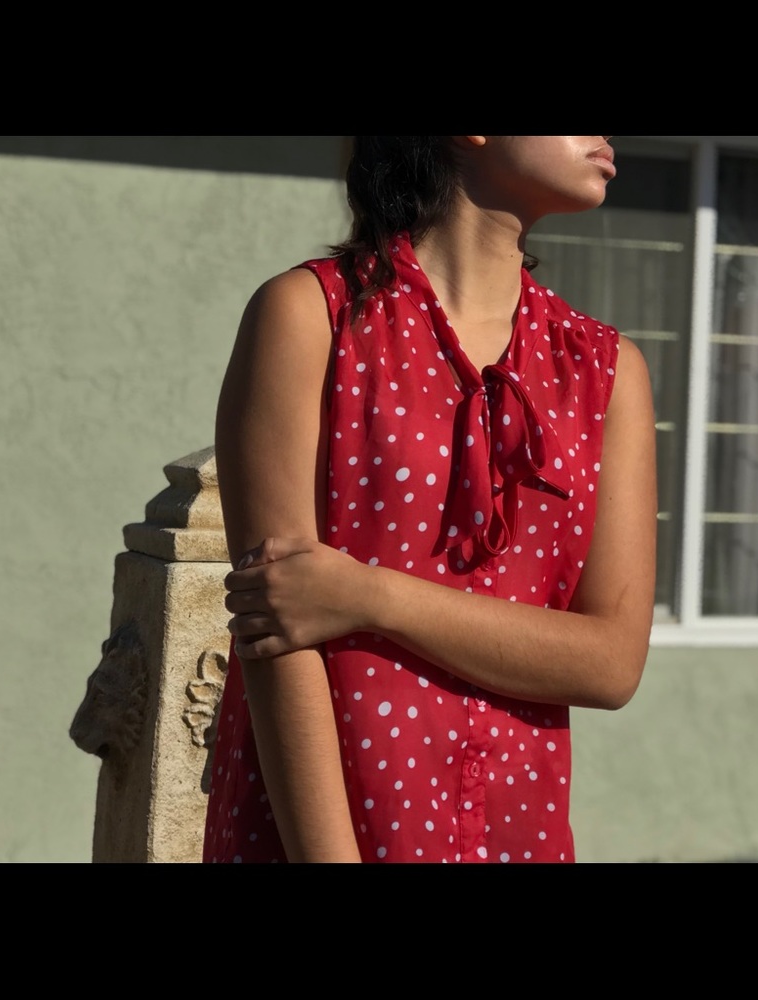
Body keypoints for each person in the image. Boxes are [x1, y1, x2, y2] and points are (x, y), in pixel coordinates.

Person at [204, 136, 657, 864]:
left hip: (518, 830)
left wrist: (369, 596)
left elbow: (611, 663)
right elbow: (278, 621)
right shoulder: (309, 316)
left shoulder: (607, 372)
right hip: (322, 832)